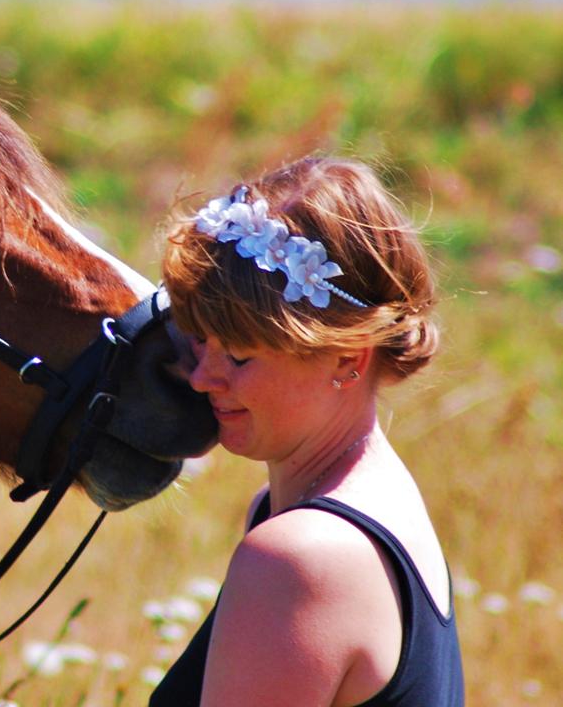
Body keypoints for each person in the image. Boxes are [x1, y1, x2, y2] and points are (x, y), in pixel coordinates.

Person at [151, 156, 464, 707]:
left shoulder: (301, 559)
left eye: (241, 356)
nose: (202, 376)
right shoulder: (362, 502)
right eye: (202, 340)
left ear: (347, 358)